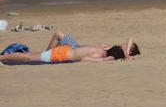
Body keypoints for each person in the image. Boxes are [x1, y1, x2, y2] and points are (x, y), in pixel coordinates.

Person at [0, 30, 138, 65]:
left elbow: (84, 59)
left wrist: (125, 55)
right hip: (67, 50)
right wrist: (126, 54)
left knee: (29, 57)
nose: (125, 45)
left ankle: (3, 57)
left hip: (64, 54)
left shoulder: (105, 55)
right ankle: (3, 57)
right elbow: (130, 38)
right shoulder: (105, 50)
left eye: (127, 47)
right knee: (29, 56)